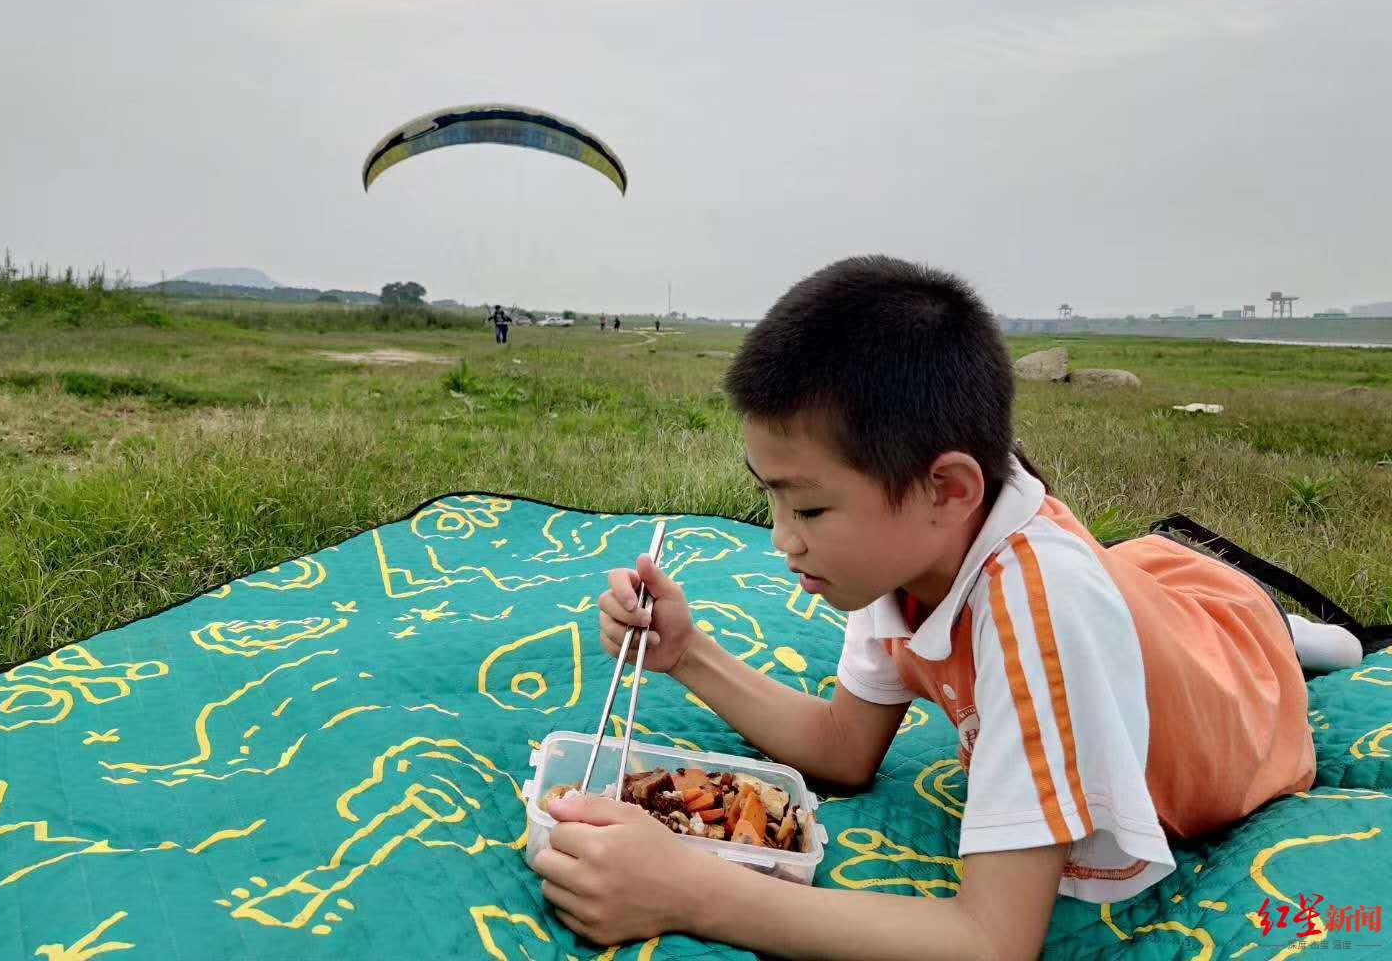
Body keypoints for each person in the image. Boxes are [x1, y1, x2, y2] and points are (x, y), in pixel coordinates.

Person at [532, 256, 1362, 957]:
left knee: (1231, 630)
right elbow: (844, 750)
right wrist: (687, 655)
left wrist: (692, 892)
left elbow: (993, 940)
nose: (784, 541)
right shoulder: (907, 555)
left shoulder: (1037, 614)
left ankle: (1290, 635)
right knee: (1134, 580)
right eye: (773, 503)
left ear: (950, 489)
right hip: (1135, 594)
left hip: (1235, 677)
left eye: (810, 510)